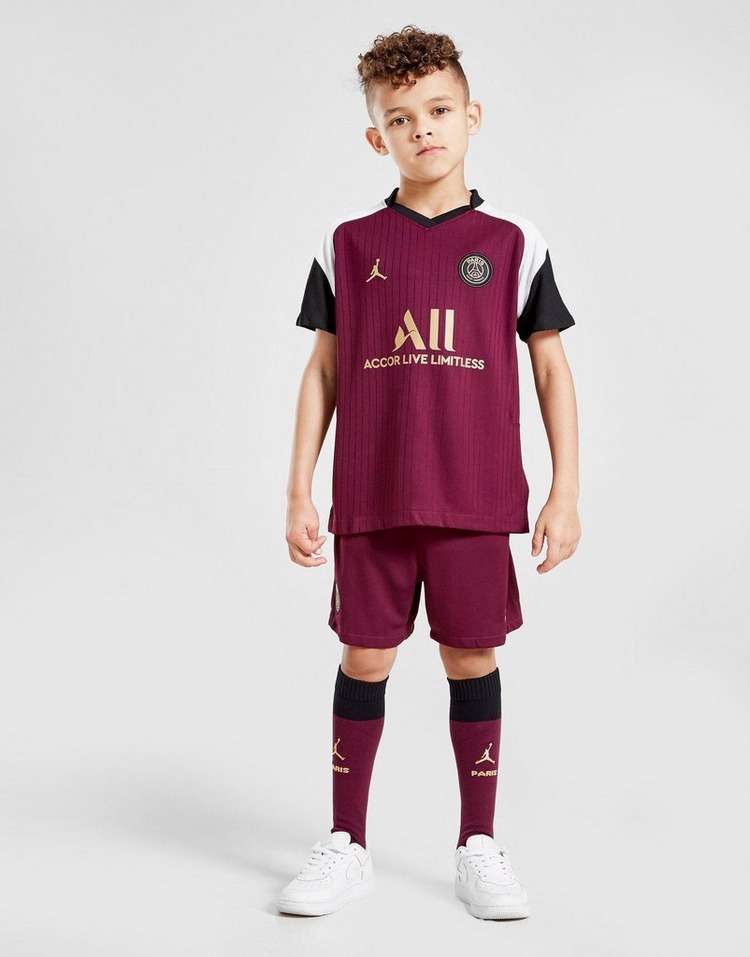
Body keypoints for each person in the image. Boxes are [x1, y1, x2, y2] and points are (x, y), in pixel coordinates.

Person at [278, 24, 581, 920]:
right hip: (372, 497)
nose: (423, 130)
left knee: (470, 655)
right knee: (365, 655)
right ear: (378, 136)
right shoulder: (347, 243)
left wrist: (565, 490)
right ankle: (347, 843)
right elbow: (323, 371)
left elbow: (551, 366)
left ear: (471, 117)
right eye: (401, 118)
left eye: (439, 110)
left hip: (476, 498)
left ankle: (478, 844)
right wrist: (298, 489)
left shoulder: (514, 240)